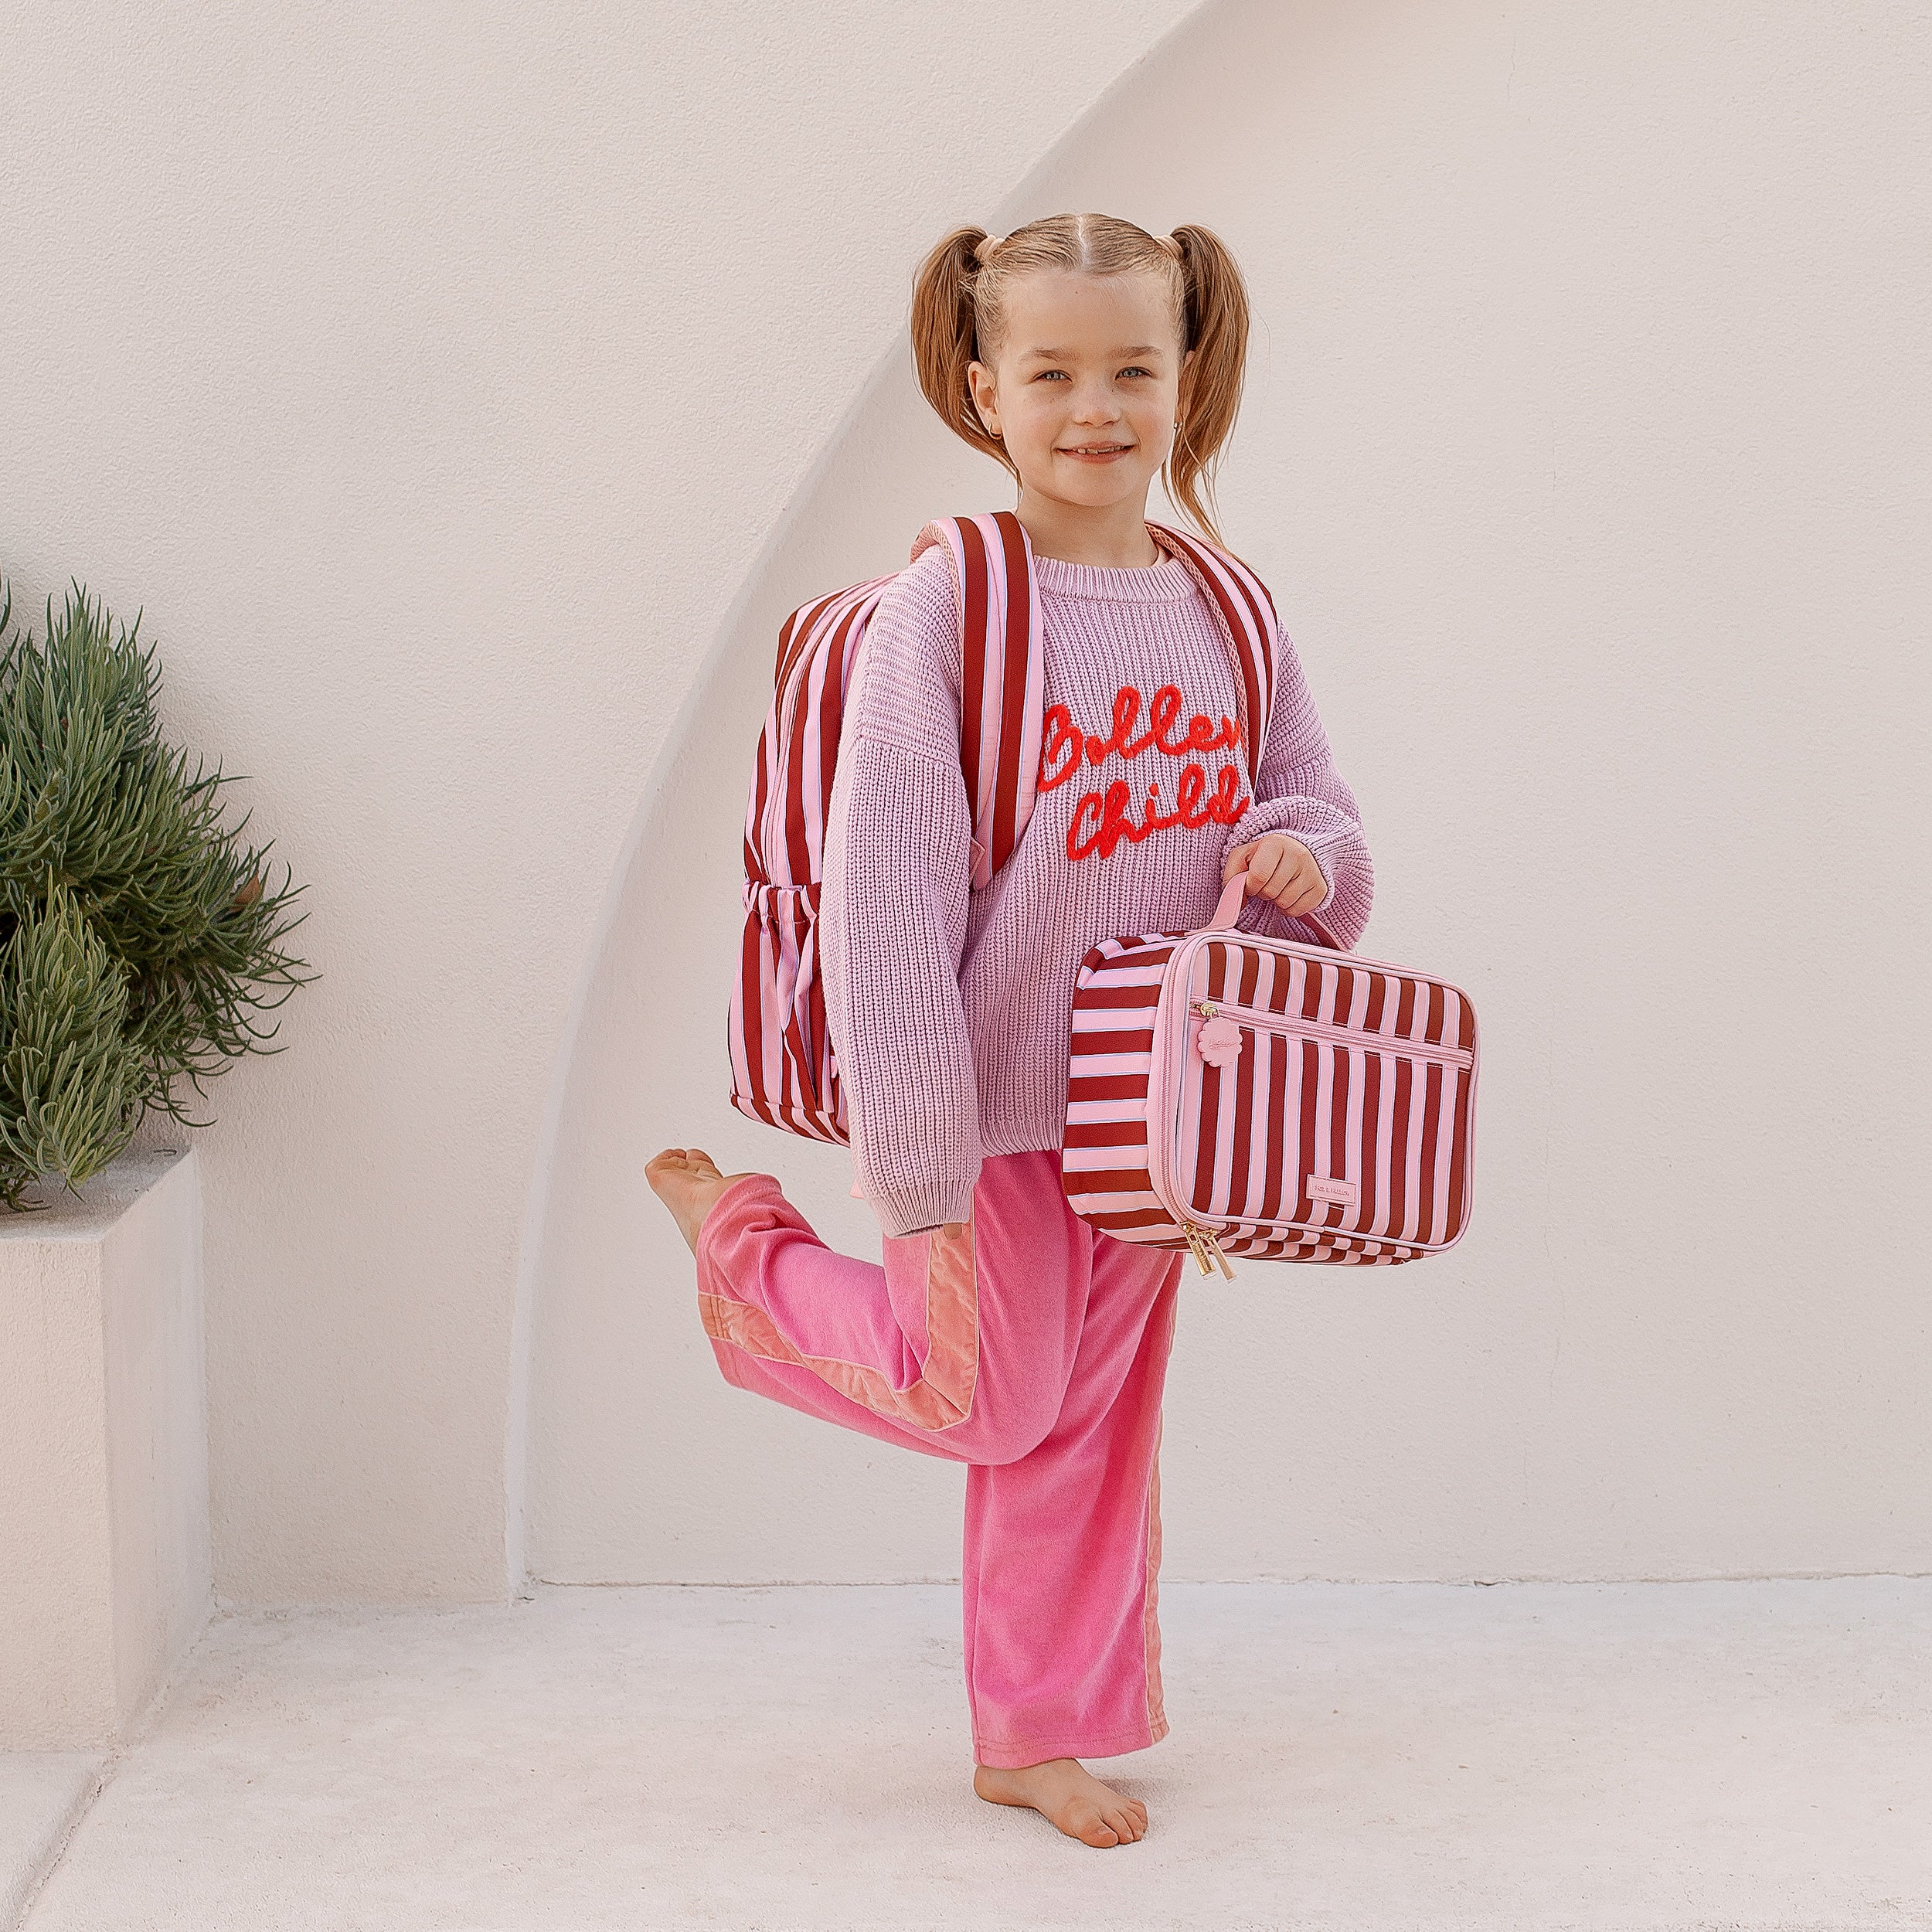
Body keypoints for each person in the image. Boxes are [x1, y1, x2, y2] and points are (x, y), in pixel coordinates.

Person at [648, 212, 1373, 1849]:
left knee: (1088, 1430)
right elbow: (887, 888)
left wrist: (1299, 855)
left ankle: (1036, 1736)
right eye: (1051, 373)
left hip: (1160, 1106)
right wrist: (914, 1151)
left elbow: (1318, 806)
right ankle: (742, 1251)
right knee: (985, 1396)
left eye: (1132, 369)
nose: (1094, 408)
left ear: (1186, 376)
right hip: (986, 1105)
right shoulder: (951, 609)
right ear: (983, 389)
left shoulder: (1229, 606)